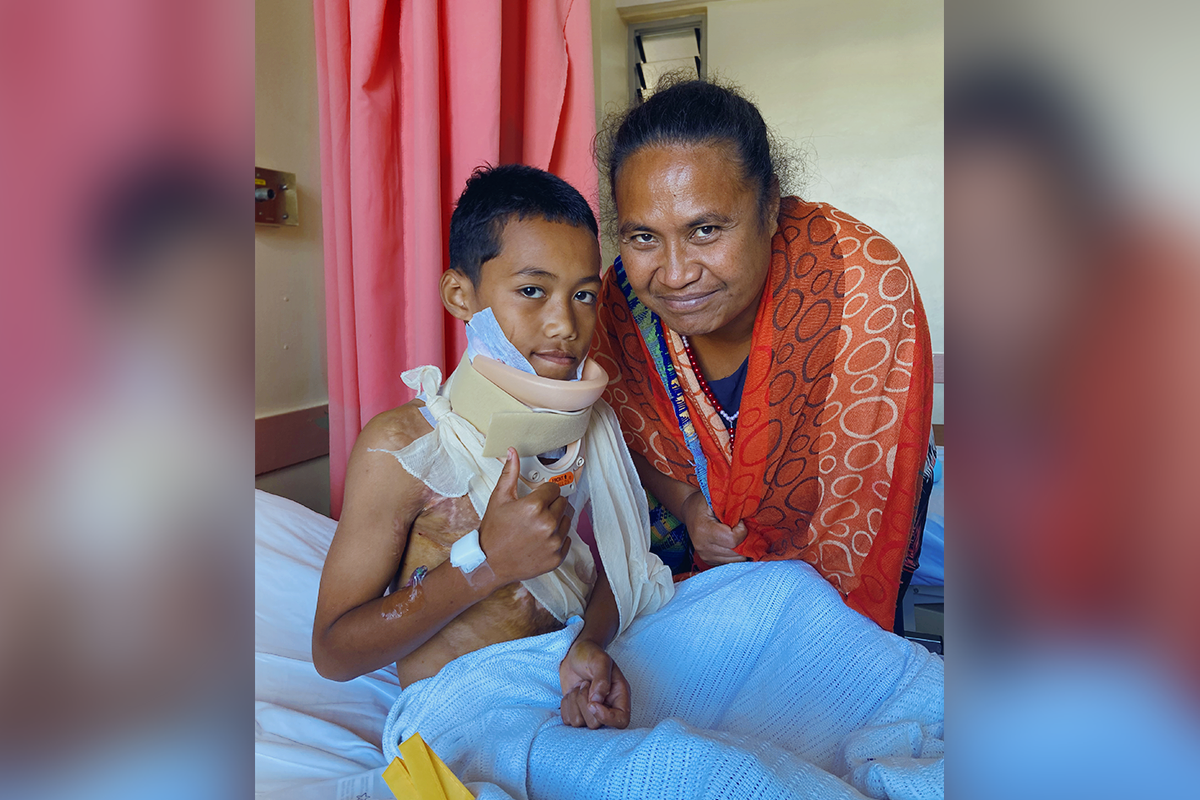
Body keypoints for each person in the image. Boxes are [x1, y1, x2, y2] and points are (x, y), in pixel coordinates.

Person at [312, 163, 674, 729]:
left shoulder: (583, 427)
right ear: (460, 295)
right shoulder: (404, 447)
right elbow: (333, 652)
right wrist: (487, 565)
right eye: (532, 290)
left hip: (568, 683)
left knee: (782, 594)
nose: (563, 324)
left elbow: (621, 568)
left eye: (583, 295)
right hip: (464, 715)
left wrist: (589, 645)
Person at [591, 78, 935, 630]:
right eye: (643, 238)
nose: (675, 274)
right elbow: (620, 438)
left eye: (705, 230)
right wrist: (686, 505)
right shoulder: (621, 307)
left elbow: (858, 510)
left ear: (770, 205)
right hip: (687, 584)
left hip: (831, 606)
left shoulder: (859, 291)